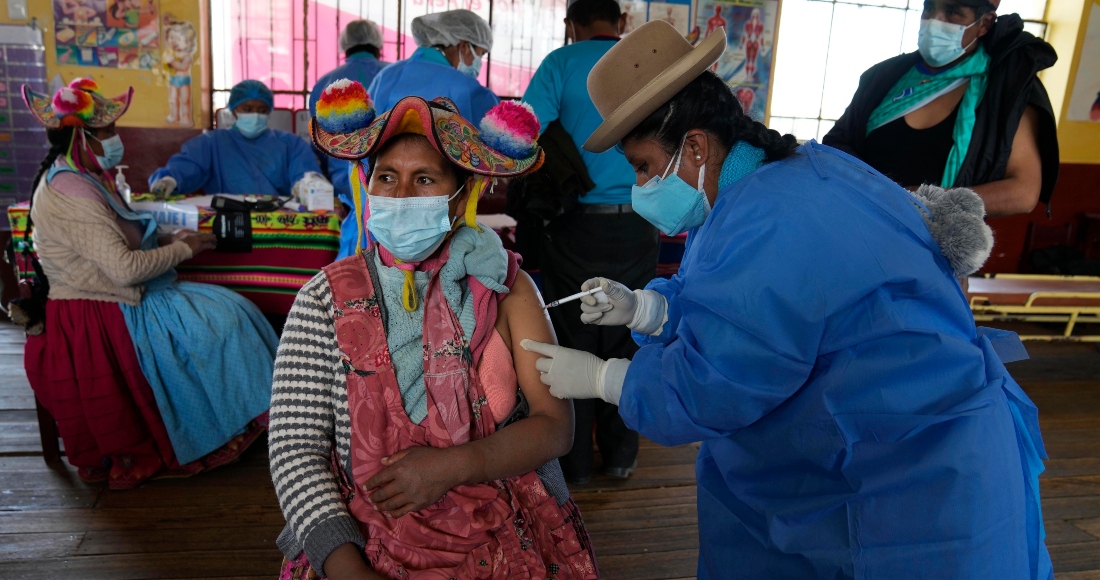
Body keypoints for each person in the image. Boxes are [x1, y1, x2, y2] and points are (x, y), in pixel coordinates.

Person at [522, 21, 1051, 578]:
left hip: (907, 486)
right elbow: (753, 309)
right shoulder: (780, 179)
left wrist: (603, 378)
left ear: (695, 146)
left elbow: (715, 385)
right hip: (906, 443)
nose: (642, 185)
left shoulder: (768, 220)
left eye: (645, 167)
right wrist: (649, 309)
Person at [271, 81, 598, 579]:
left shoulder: (508, 288)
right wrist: (348, 568)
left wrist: (454, 466)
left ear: (462, 194)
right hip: (361, 544)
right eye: (386, 177)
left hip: (505, 536)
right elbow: (297, 452)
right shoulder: (322, 299)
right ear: (365, 187)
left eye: (424, 179)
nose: (401, 195)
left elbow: (555, 425)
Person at [20, 79, 278, 490]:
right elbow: (123, 269)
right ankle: (210, 428)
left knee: (234, 310)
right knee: (221, 324)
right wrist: (184, 249)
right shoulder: (71, 191)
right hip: (108, 304)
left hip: (124, 290)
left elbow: (119, 237)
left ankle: (246, 419)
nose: (116, 140)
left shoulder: (85, 176)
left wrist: (166, 240)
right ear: (79, 137)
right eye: (107, 133)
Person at [521, 0, 653, 485]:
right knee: (630, 334)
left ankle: (573, 465)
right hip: (641, 222)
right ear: (621, 23)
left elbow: (524, 127)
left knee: (573, 336)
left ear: (571, 26)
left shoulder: (560, 62)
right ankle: (621, 457)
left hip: (575, 225)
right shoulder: (644, 61)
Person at [823, 0, 1059, 217]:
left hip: (934, 246)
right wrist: (868, 191)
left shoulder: (1007, 87)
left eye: (953, 11)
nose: (935, 20)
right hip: (857, 218)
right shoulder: (883, 77)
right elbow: (838, 142)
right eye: (929, 7)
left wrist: (920, 201)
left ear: (984, 23)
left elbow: (1024, 192)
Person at [336, 9, 497, 260]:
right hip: (430, 231)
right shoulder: (469, 90)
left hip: (373, 217)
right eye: (481, 54)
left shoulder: (386, 76)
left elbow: (358, 150)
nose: (479, 62)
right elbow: (489, 163)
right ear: (464, 46)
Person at [148, 79, 325, 197]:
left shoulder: (290, 144)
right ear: (233, 110)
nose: (255, 115)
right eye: (247, 109)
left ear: (269, 112)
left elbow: (305, 172)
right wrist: (170, 179)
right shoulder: (212, 143)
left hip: (278, 220)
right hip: (227, 218)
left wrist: (309, 185)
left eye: (262, 110)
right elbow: (189, 166)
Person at [309, 19, 389, 259]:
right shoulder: (391, 75)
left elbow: (318, 137)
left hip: (344, 182)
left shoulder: (326, 82)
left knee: (353, 248)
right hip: (388, 182)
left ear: (345, 46)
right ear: (378, 44)